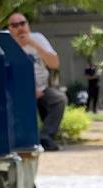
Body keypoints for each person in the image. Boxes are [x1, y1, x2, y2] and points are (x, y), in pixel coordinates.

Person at [7, 11, 66, 151]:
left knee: (59, 99)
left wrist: (33, 44)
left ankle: (45, 137)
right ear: (10, 29)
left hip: (42, 88)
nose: (20, 28)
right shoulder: (7, 44)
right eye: (15, 25)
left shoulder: (37, 38)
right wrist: (28, 90)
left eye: (23, 23)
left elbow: (54, 63)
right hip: (19, 91)